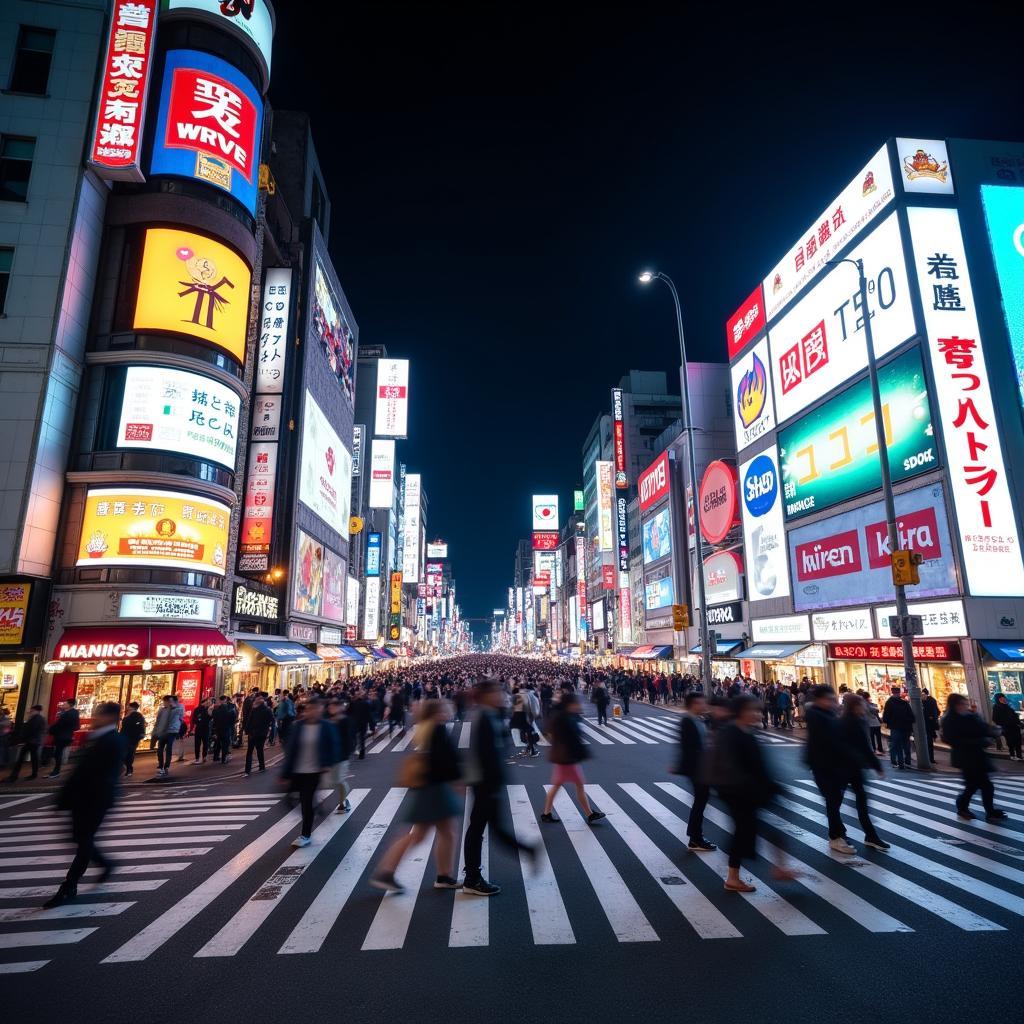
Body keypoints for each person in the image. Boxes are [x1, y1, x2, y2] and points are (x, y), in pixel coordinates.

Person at [371, 700, 462, 893]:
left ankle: (443, 875)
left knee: (442, 833)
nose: (450, 710)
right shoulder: (437, 729)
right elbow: (443, 759)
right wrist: (457, 777)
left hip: (430, 787)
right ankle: (386, 872)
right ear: (437, 712)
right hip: (434, 789)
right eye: (446, 708)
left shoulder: (427, 728)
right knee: (424, 834)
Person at [709, 695, 796, 893]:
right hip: (739, 793)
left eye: (758, 710)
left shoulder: (746, 732)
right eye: (752, 710)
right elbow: (735, 768)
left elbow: (758, 766)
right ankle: (773, 869)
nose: (757, 714)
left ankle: (770, 869)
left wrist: (774, 787)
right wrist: (762, 789)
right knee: (748, 832)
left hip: (748, 792)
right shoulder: (731, 734)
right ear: (740, 712)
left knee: (747, 832)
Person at [43, 701, 123, 908]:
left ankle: (69, 885)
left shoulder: (113, 741)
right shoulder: (96, 738)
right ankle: (105, 864)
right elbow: (79, 772)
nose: (94, 718)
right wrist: (64, 800)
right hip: (82, 799)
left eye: (99, 714)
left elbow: (102, 775)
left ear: (109, 718)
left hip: (96, 800)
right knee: (80, 839)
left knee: (84, 840)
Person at [461, 680, 537, 895]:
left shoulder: (490, 714)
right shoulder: (484, 717)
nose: (501, 696)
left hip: (488, 782)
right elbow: (485, 754)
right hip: (486, 783)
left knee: (483, 828)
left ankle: (473, 875)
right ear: (486, 696)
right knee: (481, 829)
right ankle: (472, 877)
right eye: (496, 692)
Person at [804, 685, 859, 855]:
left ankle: (837, 834)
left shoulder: (826, 715)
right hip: (825, 766)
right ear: (819, 700)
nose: (834, 702)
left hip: (832, 766)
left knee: (833, 801)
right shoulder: (819, 717)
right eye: (830, 699)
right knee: (832, 801)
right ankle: (836, 836)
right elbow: (833, 742)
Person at [281, 699, 340, 847]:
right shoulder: (298, 726)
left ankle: (305, 835)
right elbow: (290, 749)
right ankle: (317, 807)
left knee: (306, 802)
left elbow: (334, 746)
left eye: (315, 709)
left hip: (314, 771)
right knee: (289, 800)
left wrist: (327, 764)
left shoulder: (326, 726)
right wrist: (284, 773)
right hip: (297, 770)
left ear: (320, 710)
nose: (312, 712)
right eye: (309, 709)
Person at [540, 693, 605, 825]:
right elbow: (559, 736)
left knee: (561, 785)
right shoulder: (563, 718)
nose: (578, 705)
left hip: (566, 758)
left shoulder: (567, 716)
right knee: (576, 785)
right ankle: (589, 814)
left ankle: (547, 813)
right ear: (569, 705)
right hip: (566, 758)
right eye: (575, 703)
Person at [942, 693, 1006, 823]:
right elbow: (952, 740)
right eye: (961, 704)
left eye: (965, 704)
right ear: (955, 705)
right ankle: (984, 811)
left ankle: (971, 808)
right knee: (980, 785)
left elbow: (983, 728)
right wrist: (982, 741)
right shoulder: (949, 719)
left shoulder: (971, 716)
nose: (964, 706)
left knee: (975, 785)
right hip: (965, 757)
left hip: (977, 755)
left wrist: (993, 731)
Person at [838, 693, 890, 850]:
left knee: (845, 802)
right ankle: (865, 835)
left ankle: (868, 835)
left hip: (849, 768)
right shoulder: (852, 722)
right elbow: (865, 747)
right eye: (862, 705)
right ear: (855, 707)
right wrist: (877, 766)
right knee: (855, 802)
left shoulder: (850, 721)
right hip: (849, 768)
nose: (865, 707)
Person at [675, 692, 716, 852]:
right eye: (701, 703)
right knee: (700, 802)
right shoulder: (687, 721)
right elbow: (689, 749)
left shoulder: (699, 720)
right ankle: (695, 838)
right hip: (697, 769)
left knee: (701, 801)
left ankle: (695, 836)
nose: (704, 706)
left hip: (701, 768)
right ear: (693, 704)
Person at [327, 698, 357, 813]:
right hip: (331, 756)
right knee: (332, 781)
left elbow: (349, 739)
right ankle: (343, 800)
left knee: (339, 780)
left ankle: (342, 803)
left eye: (333, 706)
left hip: (341, 756)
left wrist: (346, 753)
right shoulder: (329, 721)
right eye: (330, 706)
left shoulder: (345, 720)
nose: (331, 708)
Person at [6, 704, 45, 781]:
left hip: (31, 741)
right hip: (34, 741)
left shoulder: (36, 719)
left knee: (22, 759)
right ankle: (33, 774)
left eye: (32, 710)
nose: (30, 711)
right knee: (33, 758)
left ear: (36, 710)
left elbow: (31, 730)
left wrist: (23, 739)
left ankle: (14, 776)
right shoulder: (39, 718)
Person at [882, 686, 915, 769]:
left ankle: (900, 763)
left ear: (892, 692)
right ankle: (907, 761)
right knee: (906, 744)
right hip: (906, 728)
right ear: (899, 693)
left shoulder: (889, 703)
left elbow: (885, 717)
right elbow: (912, 716)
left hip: (895, 727)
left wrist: (888, 722)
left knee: (897, 745)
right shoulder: (905, 703)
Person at [46, 698, 80, 778]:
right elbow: (77, 727)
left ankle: (56, 771)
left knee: (58, 753)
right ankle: (56, 770)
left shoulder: (67, 714)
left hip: (62, 736)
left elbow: (59, 725)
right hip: (67, 736)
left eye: (65, 703)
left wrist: (50, 730)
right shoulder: (74, 713)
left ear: (70, 705)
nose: (63, 705)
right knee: (58, 753)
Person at [244, 694, 274, 775]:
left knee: (249, 751)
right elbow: (272, 720)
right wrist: (268, 729)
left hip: (252, 733)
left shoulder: (254, 709)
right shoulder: (267, 710)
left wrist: (247, 730)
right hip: (262, 733)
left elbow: (249, 721)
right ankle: (262, 766)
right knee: (259, 750)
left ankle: (247, 769)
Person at [153, 695, 182, 777]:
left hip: (172, 731)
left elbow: (180, 715)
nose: (166, 703)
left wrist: (173, 707)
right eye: (165, 701)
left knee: (169, 748)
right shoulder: (162, 710)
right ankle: (160, 765)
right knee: (160, 749)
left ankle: (166, 766)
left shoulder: (177, 709)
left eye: (169, 701)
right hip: (162, 731)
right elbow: (158, 721)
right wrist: (155, 731)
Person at [119, 701, 147, 776]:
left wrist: (140, 733)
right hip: (126, 736)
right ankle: (128, 768)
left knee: (129, 753)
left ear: (132, 707)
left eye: (129, 706)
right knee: (126, 753)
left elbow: (140, 725)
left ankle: (129, 769)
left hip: (132, 737)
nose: (127, 707)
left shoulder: (137, 715)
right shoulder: (128, 715)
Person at [992, 694, 1023, 761]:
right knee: (1011, 742)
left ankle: (1019, 756)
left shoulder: (1007, 706)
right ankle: (1012, 755)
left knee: (1018, 741)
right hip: (1007, 728)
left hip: (1015, 727)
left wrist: (1019, 723)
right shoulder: (996, 707)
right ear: (999, 699)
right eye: (1003, 698)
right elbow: (995, 718)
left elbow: (1014, 716)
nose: (1004, 699)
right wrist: (1004, 725)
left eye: (1004, 698)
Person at [211, 695, 236, 764]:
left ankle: (216, 757)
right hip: (226, 729)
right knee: (225, 744)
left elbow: (213, 719)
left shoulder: (216, 711)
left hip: (218, 729)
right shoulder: (230, 711)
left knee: (217, 743)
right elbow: (233, 720)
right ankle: (224, 758)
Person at [191, 698, 213, 765]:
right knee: (204, 743)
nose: (208, 703)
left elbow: (194, 719)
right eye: (207, 702)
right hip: (204, 728)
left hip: (200, 728)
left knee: (200, 743)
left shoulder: (204, 709)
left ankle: (199, 757)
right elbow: (210, 718)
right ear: (204, 702)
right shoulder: (202, 709)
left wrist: (198, 722)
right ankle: (203, 757)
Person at [921, 688, 940, 764]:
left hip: (926, 726)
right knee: (929, 743)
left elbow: (936, 712)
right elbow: (937, 711)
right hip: (929, 725)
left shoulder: (925, 702)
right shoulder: (931, 701)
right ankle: (930, 758)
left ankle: (929, 758)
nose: (922, 696)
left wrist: (931, 717)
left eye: (923, 694)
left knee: (927, 743)